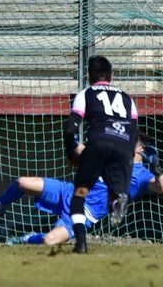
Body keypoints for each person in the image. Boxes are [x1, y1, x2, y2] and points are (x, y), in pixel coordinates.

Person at [0, 133, 163, 246]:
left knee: (50, 241)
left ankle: (26, 238)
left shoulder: (143, 174)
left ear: (140, 150)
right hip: (69, 192)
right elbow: (84, 150)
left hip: (84, 214)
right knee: (22, 182)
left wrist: (157, 167)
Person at [63, 55, 139, 253]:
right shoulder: (127, 98)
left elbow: (70, 128)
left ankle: (81, 243)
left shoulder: (85, 94)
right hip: (124, 147)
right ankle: (118, 201)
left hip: (98, 143)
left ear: (88, 76)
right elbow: (134, 130)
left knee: (79, 194)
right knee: (113, 193)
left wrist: (71, 152)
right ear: (111, 76)